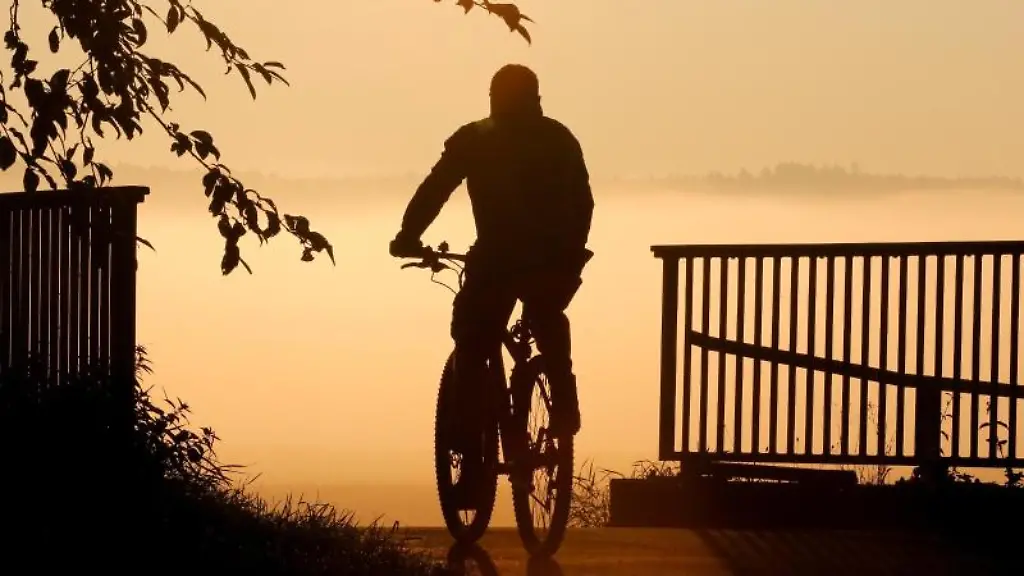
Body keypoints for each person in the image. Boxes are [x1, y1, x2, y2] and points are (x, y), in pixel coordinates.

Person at [389, 64, 594, 508]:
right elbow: (583, 201)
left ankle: (471, 471)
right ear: (536, 99)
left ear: (493, 99)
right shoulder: (559, 138)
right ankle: (562, 397)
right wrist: (569, 251)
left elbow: (436, 188)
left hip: (496, 259)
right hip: (551, 258)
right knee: (547, 315)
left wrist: (408, 237)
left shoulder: (476, 138)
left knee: (471, 343)